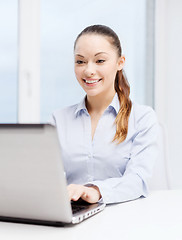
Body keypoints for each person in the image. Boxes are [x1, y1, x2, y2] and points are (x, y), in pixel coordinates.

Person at [49, 24, 159, 204]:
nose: (88, 70)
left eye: (100, 61)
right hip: (71, 219)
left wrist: (96, 191)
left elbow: (138, 180)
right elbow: (48, 178)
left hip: (123, 221)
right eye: (80, 61)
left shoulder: (142, 118)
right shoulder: (58, 120)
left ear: (120, 63)